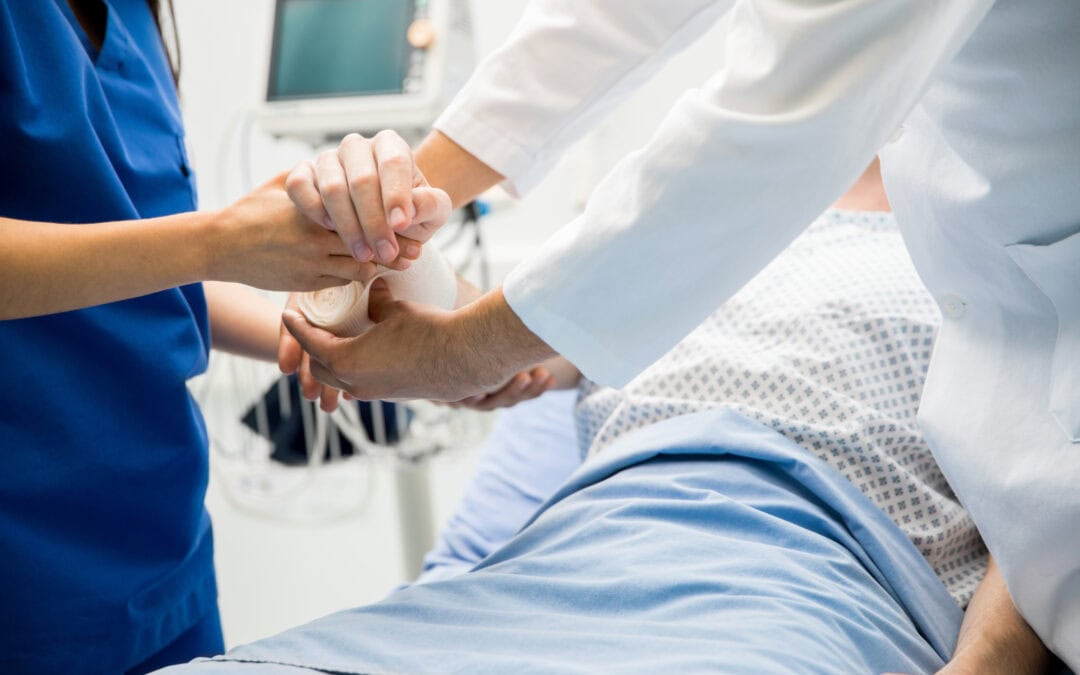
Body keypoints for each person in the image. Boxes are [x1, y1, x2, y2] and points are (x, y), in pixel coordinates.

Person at [282, 1, 1080, 666]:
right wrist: (403, 206)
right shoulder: (628, 290)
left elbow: (770, 131)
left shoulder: (943, 261)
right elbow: (612, 17)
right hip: (574, 546)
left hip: (808, 563)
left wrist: (468, 346)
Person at [164, 167, 1054, 674]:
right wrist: (405, 284)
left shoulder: (1023, 227)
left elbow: (1060, 490)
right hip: (564, 558)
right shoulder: (693, 197)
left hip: (805, 572)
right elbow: (523, 346)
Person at [0, 2, 442, 672]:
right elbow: (187, 250)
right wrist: (223, 240)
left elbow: (137, 257)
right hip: (27, 568)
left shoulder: (133, 15)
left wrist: (317, 338)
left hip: (161, 545)